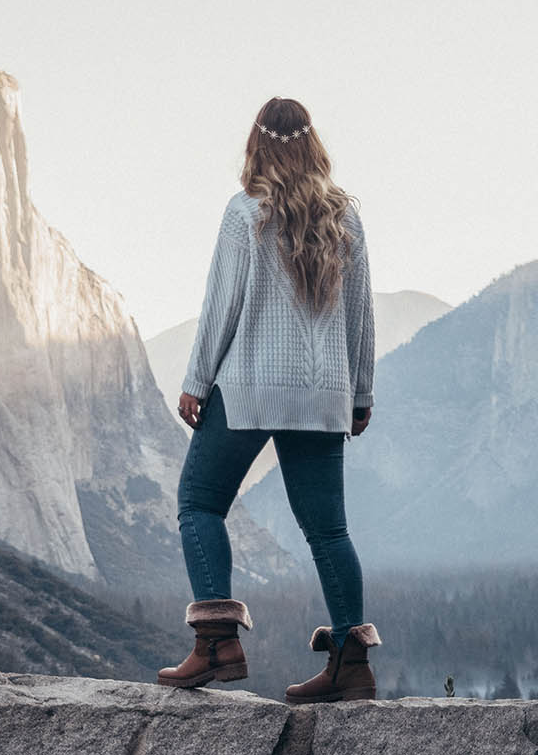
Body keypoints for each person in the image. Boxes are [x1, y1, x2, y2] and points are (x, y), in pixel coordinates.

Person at [155, 96, 381, 704]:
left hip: (250, 386)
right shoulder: (346, 219)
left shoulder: (244, 213)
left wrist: (197, 380)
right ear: (313, 144)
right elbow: (361, 313)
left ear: (256, 143)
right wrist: (360, 392)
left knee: (200, 503)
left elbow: (221, 306)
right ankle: (350, 664)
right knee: (328, 529)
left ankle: (217, 645)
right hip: (322, 393)